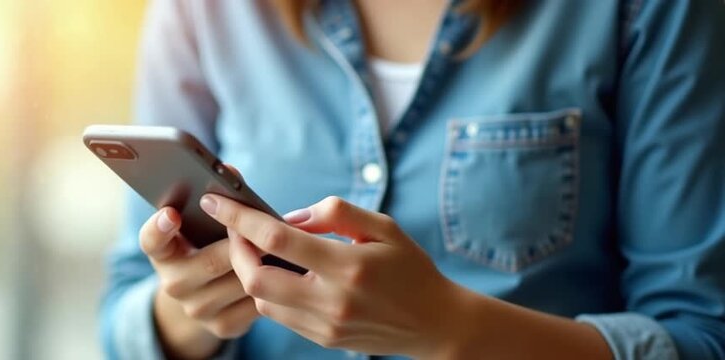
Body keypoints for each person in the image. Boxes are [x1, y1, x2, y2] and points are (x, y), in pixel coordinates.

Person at [100, 0, 725, 359]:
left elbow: (703, 336)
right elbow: (123, 317)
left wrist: (453, 326)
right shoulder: (204, 12)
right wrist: (190, 316)